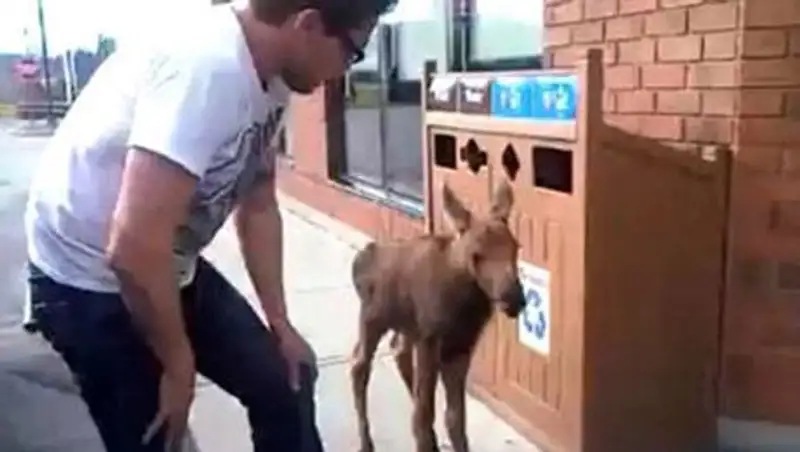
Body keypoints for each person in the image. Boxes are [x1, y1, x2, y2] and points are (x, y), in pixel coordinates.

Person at [23, 0, 395, 451]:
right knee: (160, 433)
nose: (343, 72)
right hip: (89, 281)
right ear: (308, 23)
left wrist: (279, 323)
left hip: (164, 263)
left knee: (286, 377)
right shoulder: (207, 71)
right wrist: (178, 365)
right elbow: (132, 249)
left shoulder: (274, 75)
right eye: (353, 51)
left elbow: (258, 203)